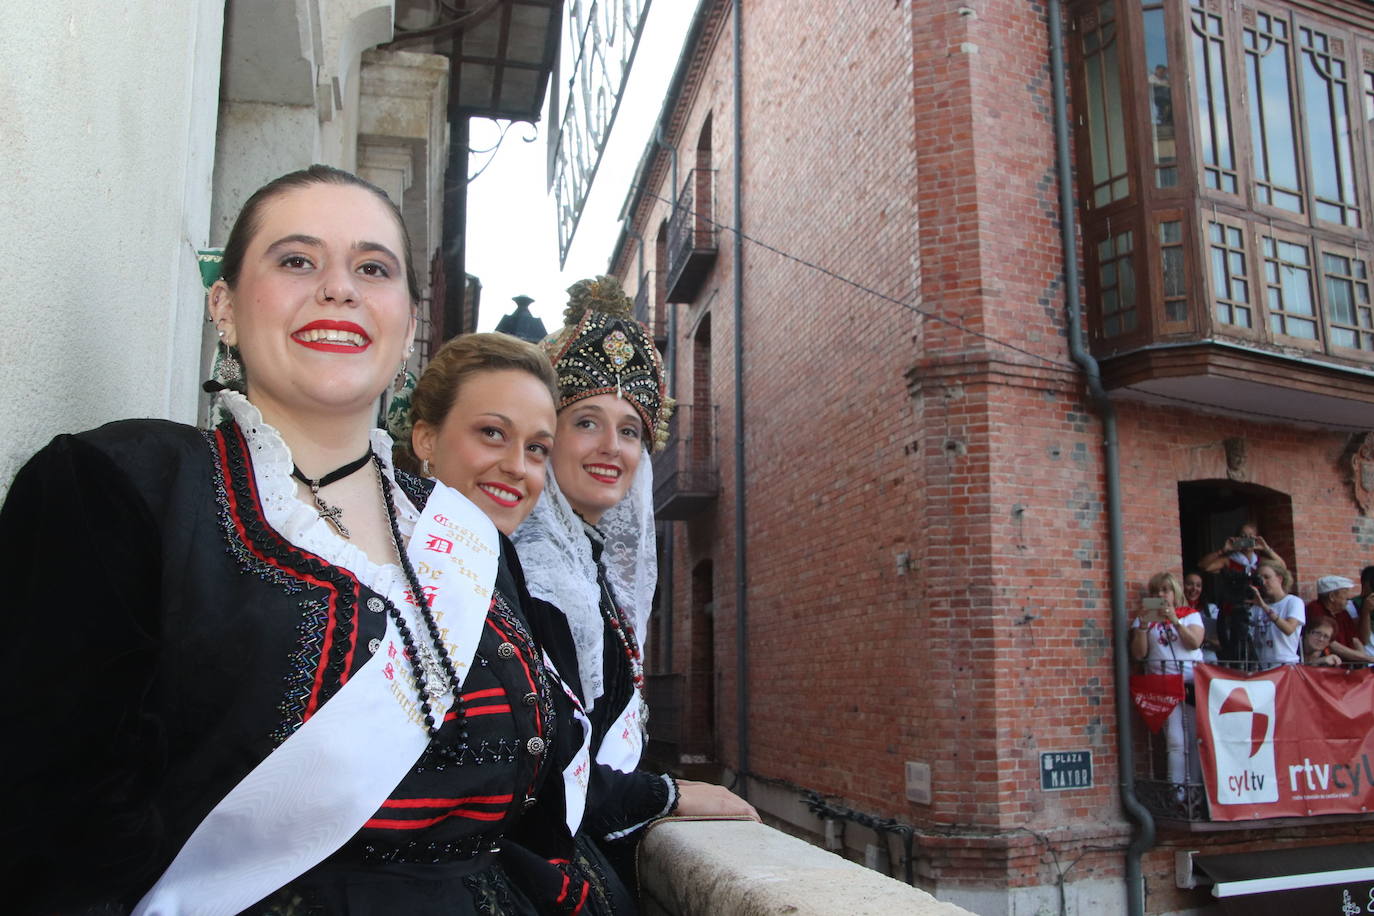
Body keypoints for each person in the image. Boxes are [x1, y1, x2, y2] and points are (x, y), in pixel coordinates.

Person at [0, 166, 587, 915]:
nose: (339, 288)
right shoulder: (118, 489)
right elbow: (53, 843)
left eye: (373, 268)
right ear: (225, 304)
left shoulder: (463, 532)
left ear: (408, 325)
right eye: (296, 260)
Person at [511, 277, 757, 890]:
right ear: (548, 437)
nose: (610, 448)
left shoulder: (591, 568)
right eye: (586, 421)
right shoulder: (530, 574)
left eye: (629, 431)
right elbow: (533, 767)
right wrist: (667, 794)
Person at [1131, 572, 1205, 787]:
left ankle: (1195, 790)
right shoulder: (1143, 619)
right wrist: (1143, 626)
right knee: (1175, 740)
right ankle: (1178, 793)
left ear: (1175, 592)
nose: (1160, 594)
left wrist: (1175, 620)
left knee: (1193, 739)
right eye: (1155, 591)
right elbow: (1138, 654)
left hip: (1191, 684)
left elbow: (1194, 643)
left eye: (1165, 590)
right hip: (1163, 686)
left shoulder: (1190, 615)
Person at [1199, 523, 1281, 663]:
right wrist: (1224, 550)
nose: (1247, 539)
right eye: (1243, 536)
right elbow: (1204, 566)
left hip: (1256, 608)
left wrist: (1265, 548)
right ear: (1237, 538)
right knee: (1233, 649)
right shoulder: (1229, 560)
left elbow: (1281, 567)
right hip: (1232, 612)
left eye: (1251, 537)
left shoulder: (1260, 562)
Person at [1305, 575, 1374, 664]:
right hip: (1327, 665)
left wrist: (1362, 657)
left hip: (1349, 666)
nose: (1348, 597)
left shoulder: (1342, 612)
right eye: (1345, 592)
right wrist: (1365, 658)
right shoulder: (1315, 609)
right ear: (1332, 596)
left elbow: (1355, 639)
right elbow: (1329, 644)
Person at [1249, 561, 1305, 668]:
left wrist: (1264, 606)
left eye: (1267, 577)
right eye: (1260, 579)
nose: (1263, 582)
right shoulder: (1256, 607)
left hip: (1286, 665)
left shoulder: (1293, 601)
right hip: (1263, 666)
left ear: (1279, 578)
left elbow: (1289, 629)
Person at [1182, 570, 1222, 664]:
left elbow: (1221, 642)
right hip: (1186, 660)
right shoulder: (1176, 610)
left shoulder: (1211, 610)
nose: (1194, 588)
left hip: (1209, 660)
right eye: (1189, 584)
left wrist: (1203, 639)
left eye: (1198, 585)